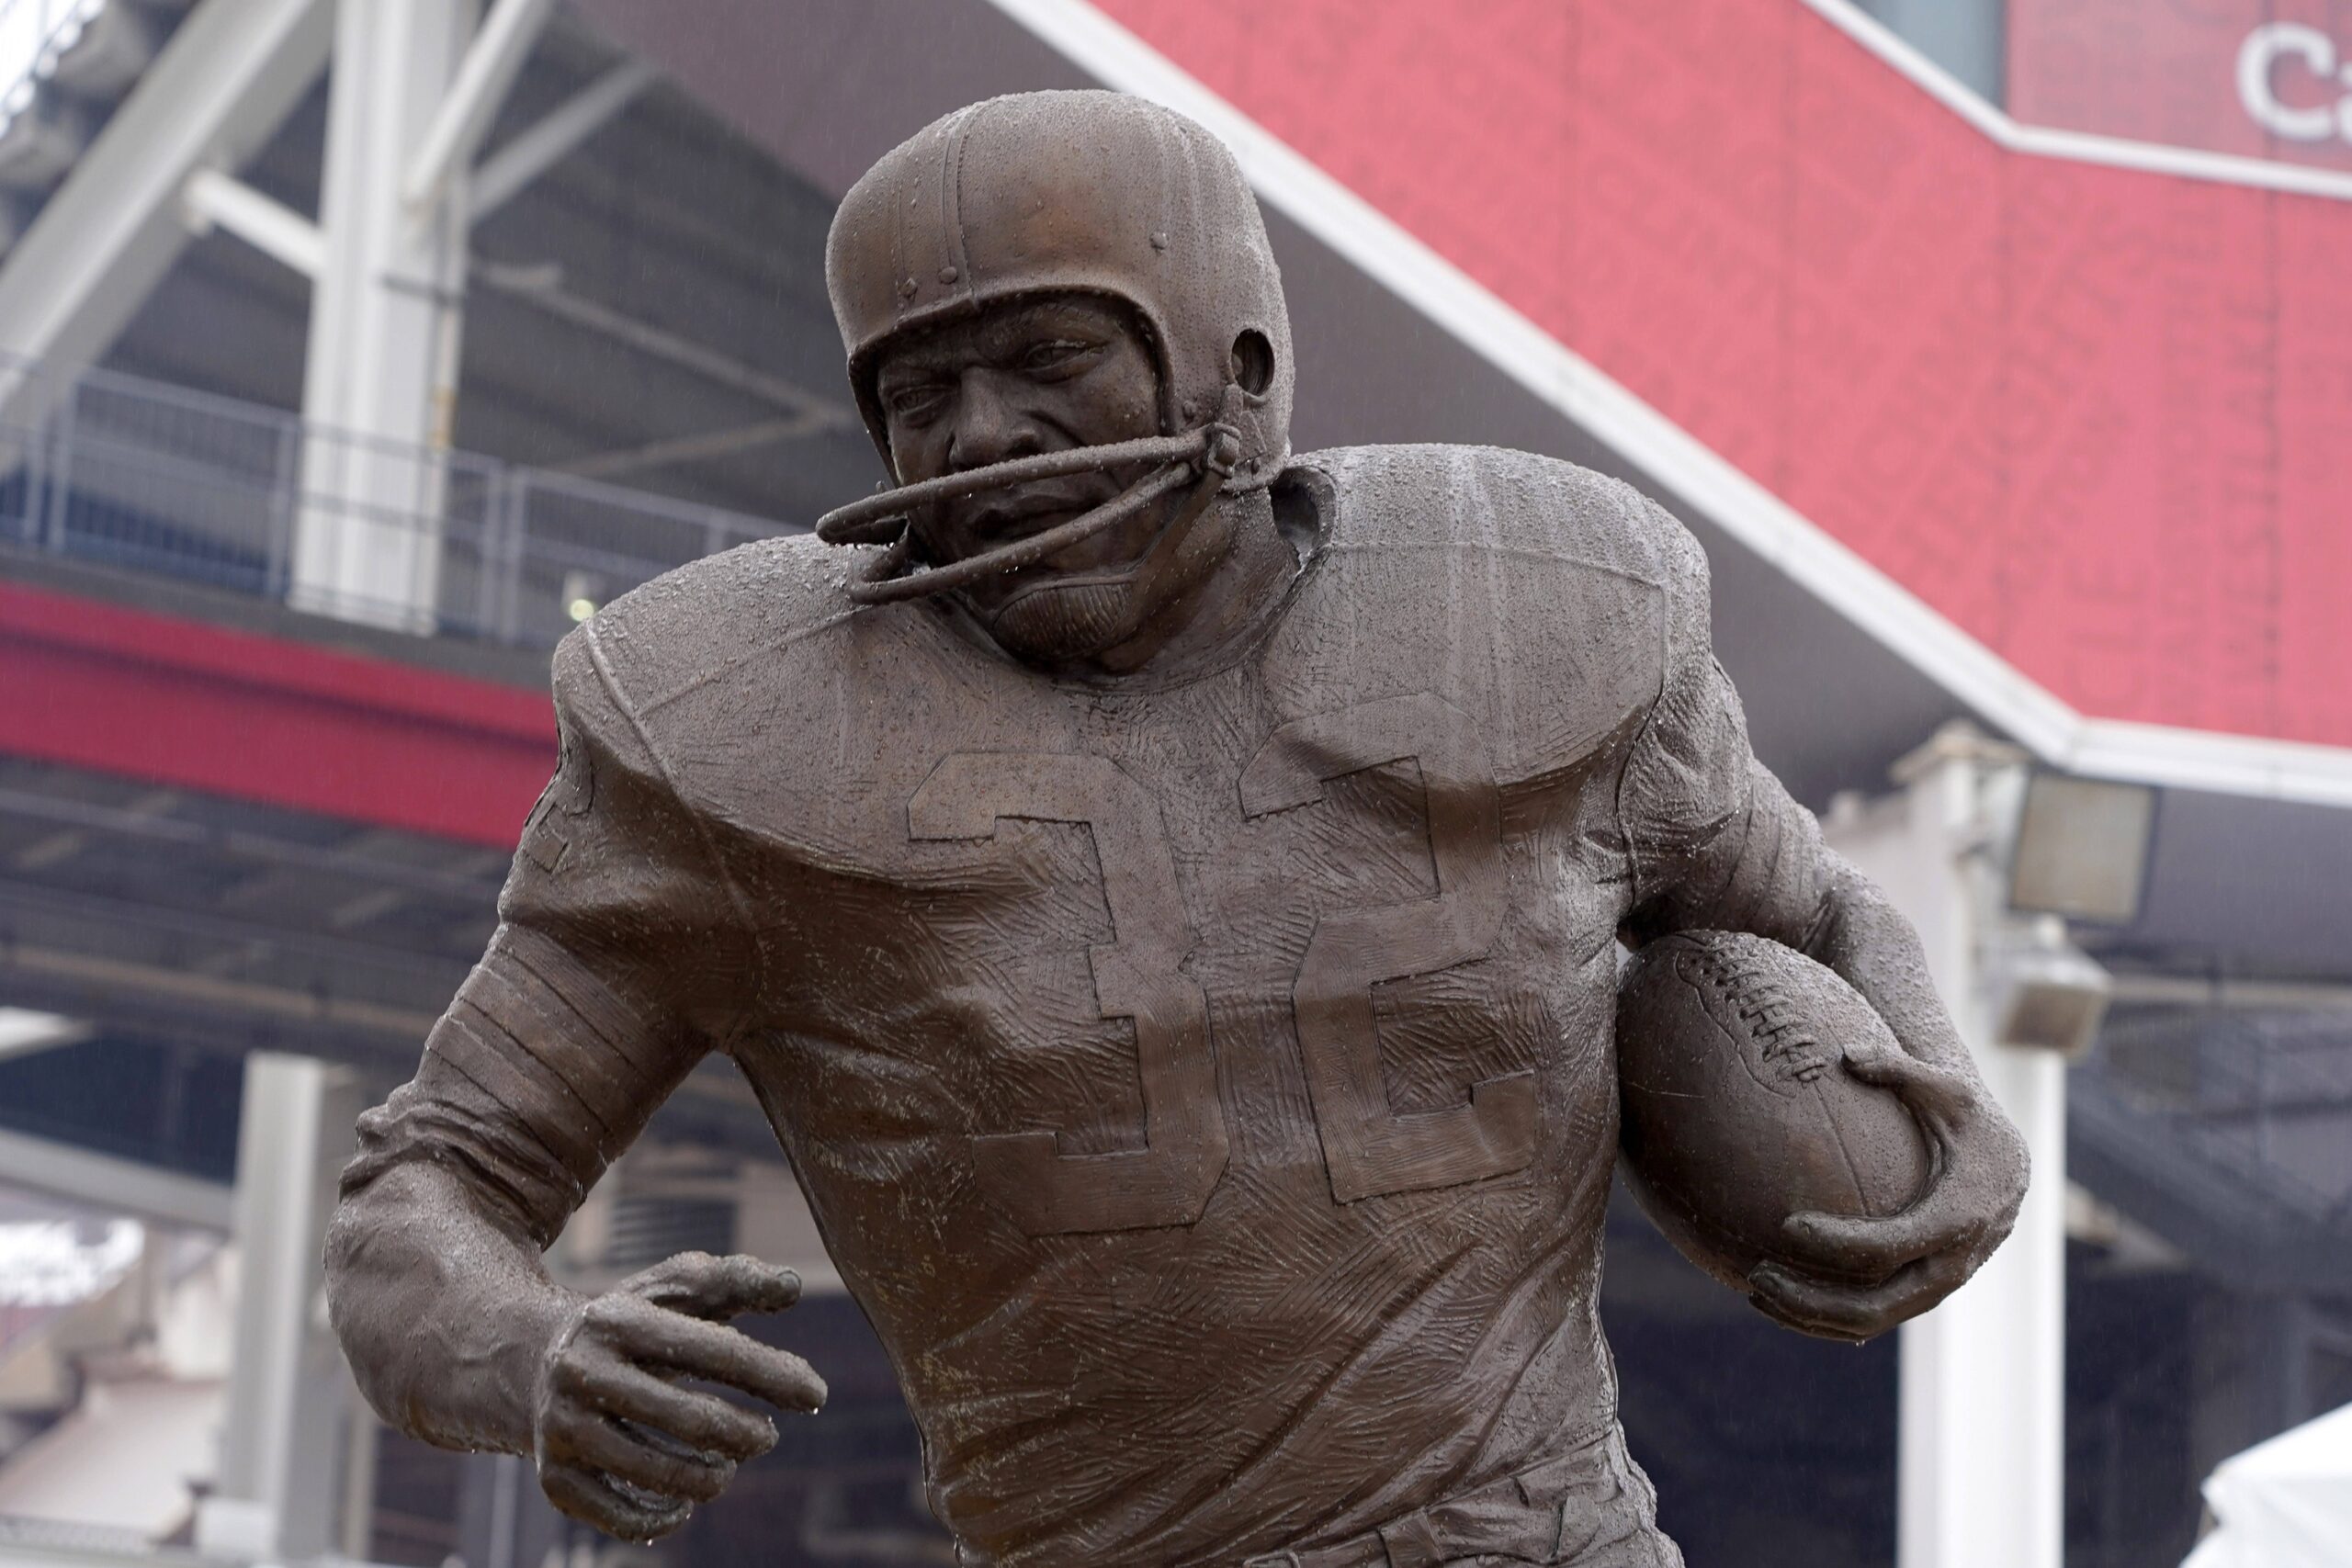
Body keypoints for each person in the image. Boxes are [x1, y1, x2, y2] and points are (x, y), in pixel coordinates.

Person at [325, 90, 2028, 1568]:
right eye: (920, 391)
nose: (981, 434)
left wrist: (1953, 1116)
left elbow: (1815, 917)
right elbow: (427, 1192)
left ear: (1240, 364)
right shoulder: (733, 750)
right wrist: (529, 1357)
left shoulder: (1524, 619)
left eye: (1050, 357)